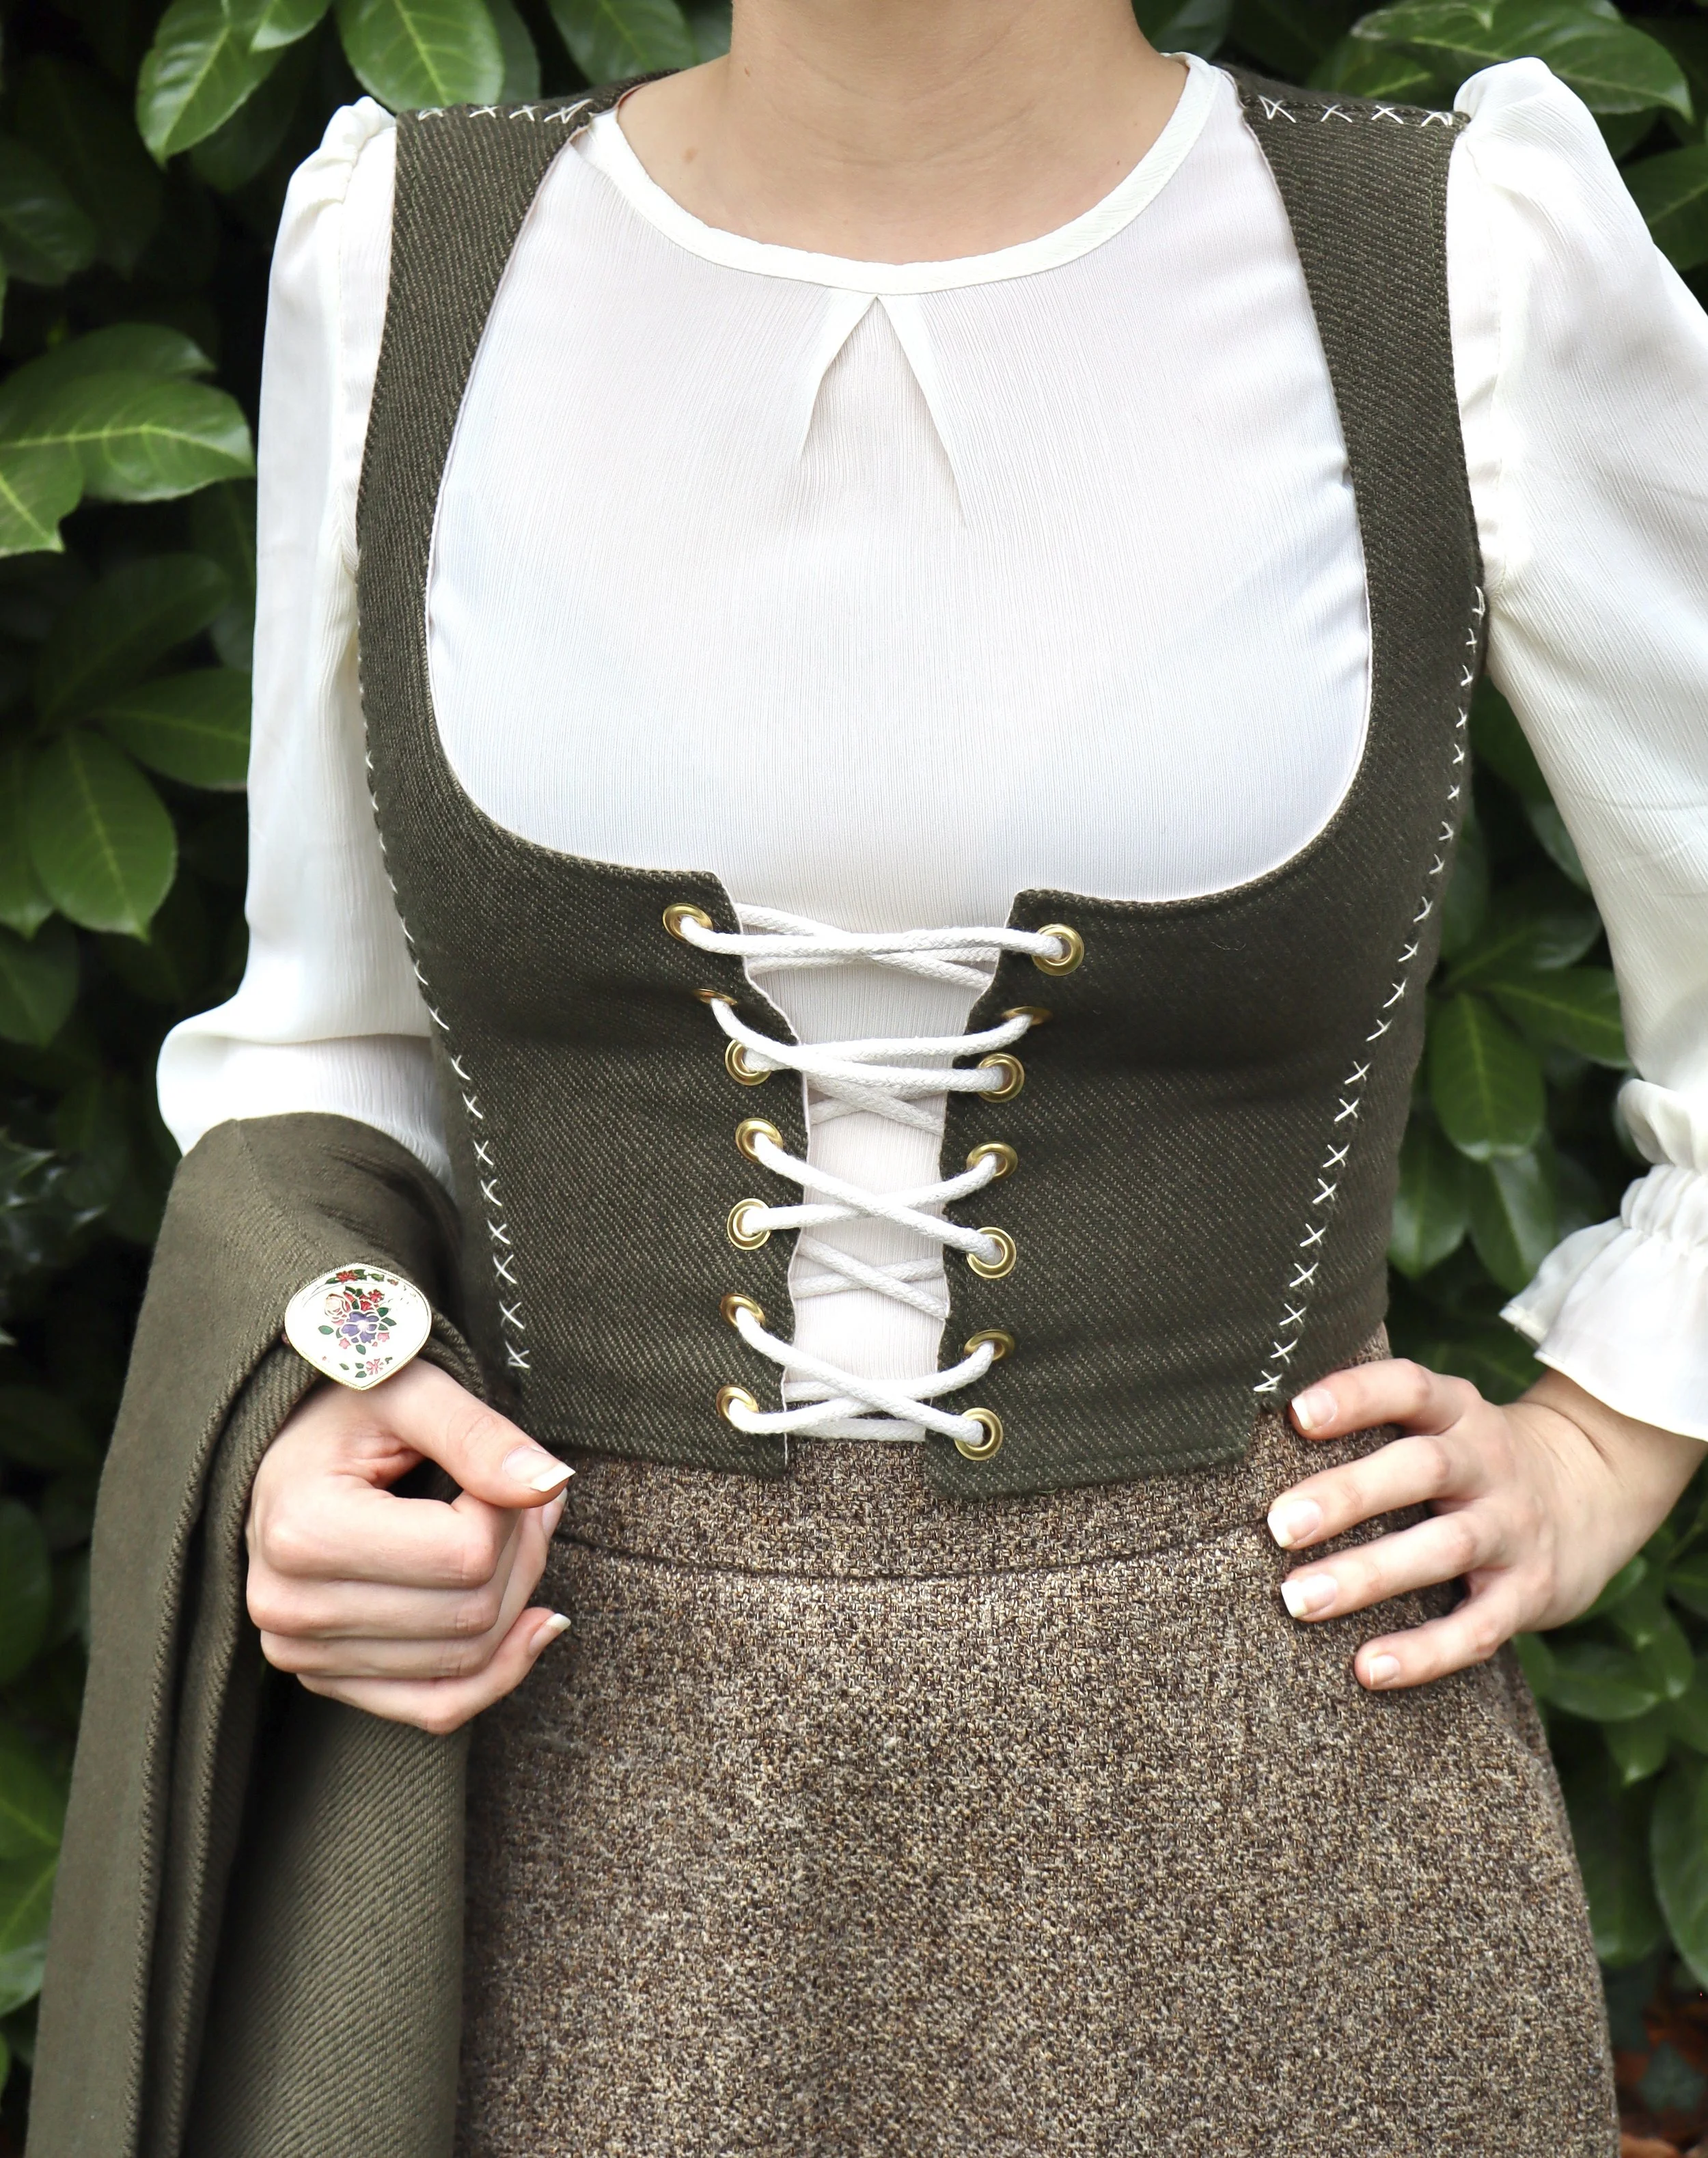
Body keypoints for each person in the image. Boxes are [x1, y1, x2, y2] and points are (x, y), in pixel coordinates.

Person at [27, 1, 1708, 2151]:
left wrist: (1601, 1438)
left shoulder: (1446, 263)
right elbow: (324, 1055)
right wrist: (316, 1401)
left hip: (1276, 1792)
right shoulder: (404, 256)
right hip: (572, 1780)